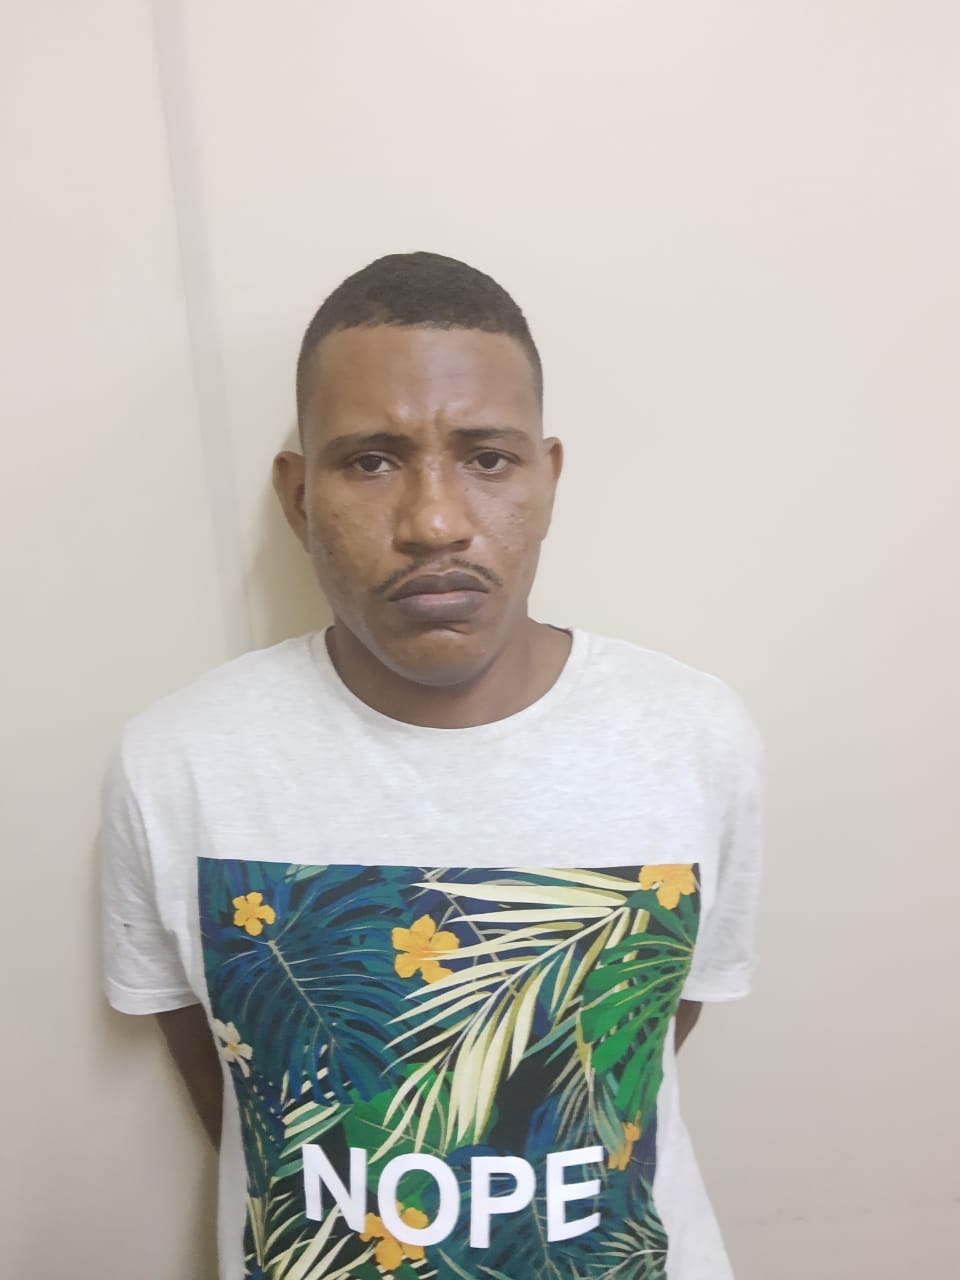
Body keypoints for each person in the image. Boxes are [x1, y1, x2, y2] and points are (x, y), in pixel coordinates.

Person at [101, 251, 764, 1280]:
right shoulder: (179, 763)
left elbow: (647, 1034)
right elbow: (240, 1081)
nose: (435, 522)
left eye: (488, 459)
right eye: (371, 461)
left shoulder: (694, 735)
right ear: (297, 496)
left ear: (547, 479)